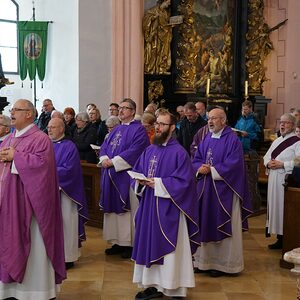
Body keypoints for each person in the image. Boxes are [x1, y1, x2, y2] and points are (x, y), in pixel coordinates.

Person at [0, 99, 66, 299]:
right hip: (9, 203)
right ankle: (10, 290)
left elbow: (43, 168)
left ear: (29, 114)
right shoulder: (7, 139)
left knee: (34, 247)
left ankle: (36, 292)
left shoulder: (40, 139)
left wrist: (16, 157)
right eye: (12, 110)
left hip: (30, 207)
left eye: (16, 110)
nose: (12, 113)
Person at [131, 109, 200, 300]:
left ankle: (174, 287)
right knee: (148, 243)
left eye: (162, 124)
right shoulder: (149, 149)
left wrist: (159, 183)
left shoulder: (179, 153)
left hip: (169, 208)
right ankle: (152, 285)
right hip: (149, 207)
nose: (158, 127)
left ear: (172, 128)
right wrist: (140, 182)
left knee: (171, 249)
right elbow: (137, 172)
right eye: (156, 124)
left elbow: (185, 183)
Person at [192, 107, 252, 277]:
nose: (210, 122)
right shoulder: (207, 139)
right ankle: (203, 261)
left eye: (214, 118)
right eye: (209, 118)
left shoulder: (232, 141)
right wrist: (199, 168)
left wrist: (212, 170)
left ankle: (223, 265)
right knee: (204, 222)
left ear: (223, 121)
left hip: (224, 190)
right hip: (205, 189)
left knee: (222, 222)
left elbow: (234, 166)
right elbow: (196, 158)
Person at [99, 98, 149, 259]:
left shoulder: (139, 130)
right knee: (113, 210)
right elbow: (105, 146)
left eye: (125, 108)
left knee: (127, 211)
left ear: (133, 112)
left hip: (125, 176)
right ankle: (117, 241)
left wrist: (113, 162)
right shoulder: (115, 129)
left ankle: (129, 243)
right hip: (110, 173)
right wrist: (104, 158)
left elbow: (136, 150)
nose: (120, 111)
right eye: (119, 108)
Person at [48, 118, 89, 269]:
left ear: (61, 129)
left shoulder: (69, 146)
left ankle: (67, 258)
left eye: (53, 127)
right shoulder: (46, 145)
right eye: (48, 127)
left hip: (66, 193)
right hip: (48, 193)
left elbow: (70, 170)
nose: (49, 130)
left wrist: (48, 174)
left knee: (66, 224)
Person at [264, 113, 300, 249]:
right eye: (281, 122)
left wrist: (283, 165)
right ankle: (279, 237)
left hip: (287, 180)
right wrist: (268, 164)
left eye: (286, 123)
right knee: (275, 207)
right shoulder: (276, 141)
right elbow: (267, 156)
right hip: (274, 179)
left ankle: (287, 237)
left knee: (283, 208)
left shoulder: (297, 142)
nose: (283, 125)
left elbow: (299, 162)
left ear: (293, 125)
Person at [143, 0, 172, 75]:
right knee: (154, 51)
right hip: (155, 36)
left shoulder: (166, 13)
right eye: (167, 3)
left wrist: (171, 26)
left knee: (163, 52)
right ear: (163, 1)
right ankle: (151, 68)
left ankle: (161, 68)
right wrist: (153, 18)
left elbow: (166, 24)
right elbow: (146, 18)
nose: (168, 5)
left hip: (164, 36)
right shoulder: (154, 10)